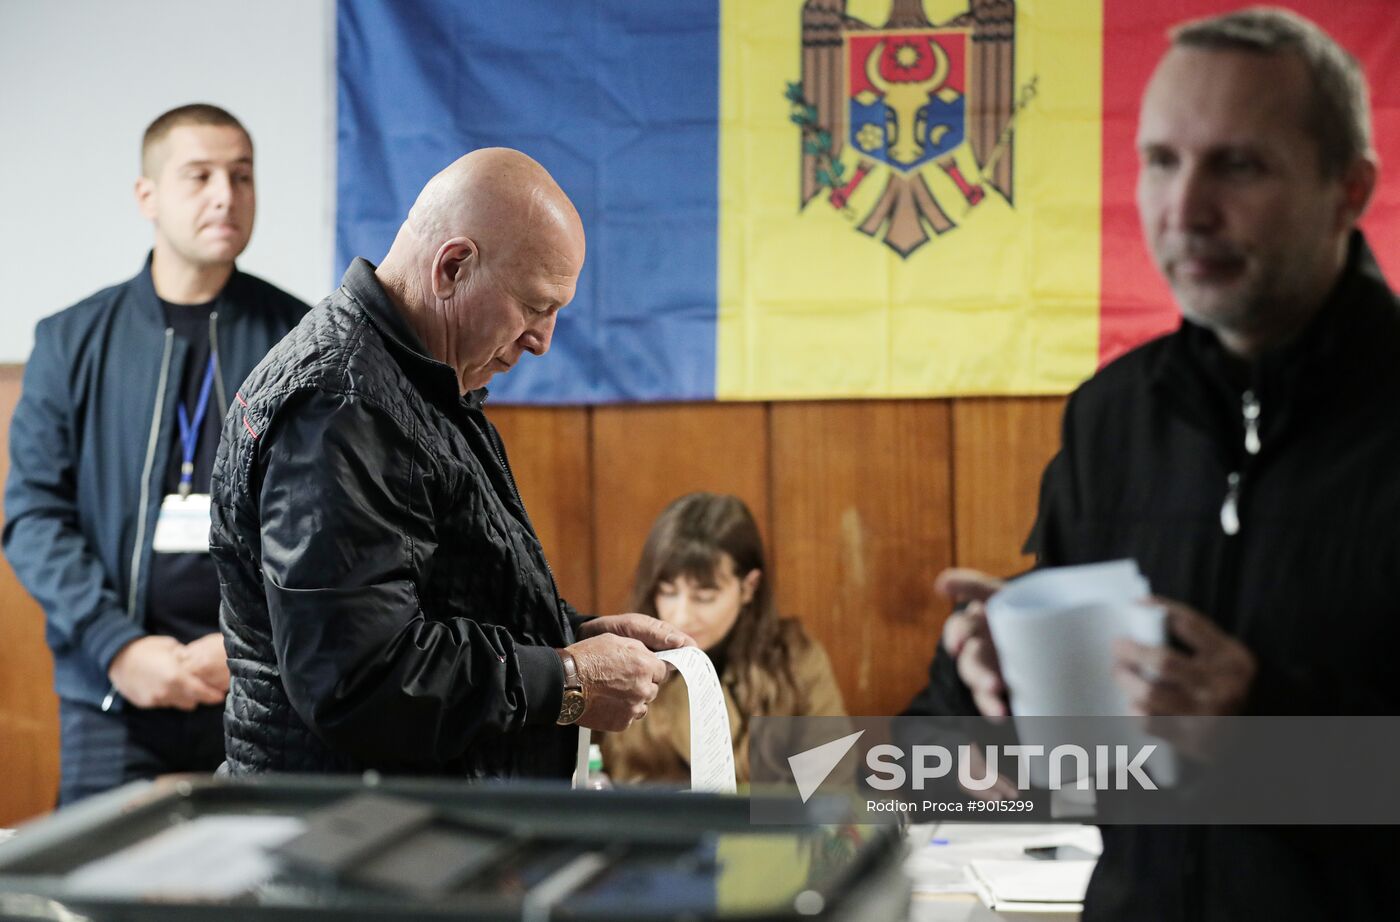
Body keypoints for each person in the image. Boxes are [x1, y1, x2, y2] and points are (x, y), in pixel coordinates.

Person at [906, 8, 1399, 920]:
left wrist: (1261, 730)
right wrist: (992, 684)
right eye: (1163, 161)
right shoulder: (1112, 416)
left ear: (1348, 188)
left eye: (1238, 165)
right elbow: (1066, 748)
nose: (1186, 209)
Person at [211, 148, 690, 779]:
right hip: (350, 828)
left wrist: (568, 636)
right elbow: (360, 682)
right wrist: (569, 678)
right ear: (453, 267)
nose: (542, 341)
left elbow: (436, 600)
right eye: (535, 306)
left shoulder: (412, 379)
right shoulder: (341, 405)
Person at [3, 104, 309, 804]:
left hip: (263, 689)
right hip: (113, 692)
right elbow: (35, 518)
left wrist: (251, 647)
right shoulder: (70, 340)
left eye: (241, 176)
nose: (225, 195)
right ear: (147, 196)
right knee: (98, 874)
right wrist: (117, 645)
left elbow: (326, 523)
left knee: (265, 874)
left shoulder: (301, 338)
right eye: (199, 176)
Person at [602, 493, 845, 784]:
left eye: (704, 596)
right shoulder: (627, 657)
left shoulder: (795, 659)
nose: (681, 616)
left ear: (748, 587)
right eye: (667, 592)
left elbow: (832, 783)